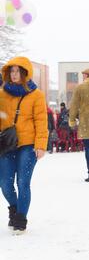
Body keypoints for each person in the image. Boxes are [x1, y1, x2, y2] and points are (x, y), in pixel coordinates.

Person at [0, 57, 48, 234]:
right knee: (4, 183)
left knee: (23, 182)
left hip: (28, 145)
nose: (14, 75)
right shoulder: (2, 93)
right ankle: (15, 207)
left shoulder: (36, 95)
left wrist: (41, 145)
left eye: (18, 71)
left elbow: (41, 121)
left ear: (25, 73)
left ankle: (20, 219)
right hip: (7, 145)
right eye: (11, 71)